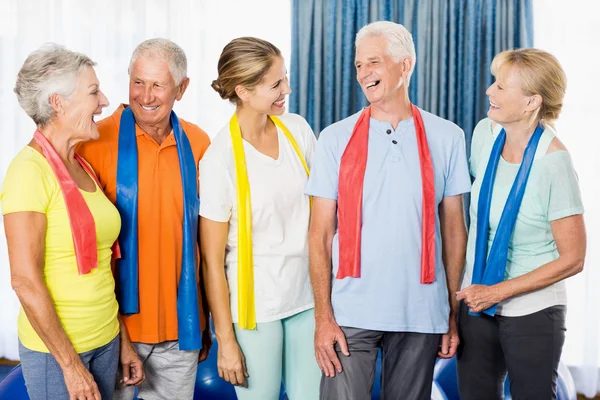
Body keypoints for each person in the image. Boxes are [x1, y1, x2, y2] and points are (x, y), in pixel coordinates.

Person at [305, 21, 471, 400]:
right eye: (359, 65)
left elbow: (454, 231)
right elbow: (319, 234)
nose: (364, 73)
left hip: (421, 312)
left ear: (405, 65)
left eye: (374, 62)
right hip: (349, 314)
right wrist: (322, 317)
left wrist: (450, 311)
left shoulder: (448, 136)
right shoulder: (334, 139)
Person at [77, 38, 212, 400]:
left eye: (158, 85)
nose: (146, 95)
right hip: (115, 330)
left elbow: (208, 243)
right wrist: (117, 335)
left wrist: (206, 323)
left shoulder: (200, 144)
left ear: (181, 89)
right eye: (138, 82)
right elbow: (83, 247)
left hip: (182, 328)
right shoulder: (92, 142)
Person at [456, 48, 586, 400]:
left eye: (501, 86)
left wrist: (497, 292)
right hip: (477, 300)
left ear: (531, 102)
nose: (489, 92)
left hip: (533, 309)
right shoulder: (485, 134)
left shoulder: (554, 163)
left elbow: (574, 258)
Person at [200, 37, 321, 400]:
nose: (287, 89)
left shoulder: (297, 130)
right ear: (244, 91)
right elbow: (212, 261)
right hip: (256, 311)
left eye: (285, 78)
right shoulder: (219, 159)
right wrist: (226, 341)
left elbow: (323, 214)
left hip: (307, 298)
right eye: (276, 84)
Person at [1, 44, 122, 400]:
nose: (104, 101)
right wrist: (70, 366)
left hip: (105, 338)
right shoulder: (28, 172)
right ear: (59, 103)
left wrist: (122, 340)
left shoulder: (79, 164)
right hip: (61, 354)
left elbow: (102, 262)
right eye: (93, 91)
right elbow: (24, 281)